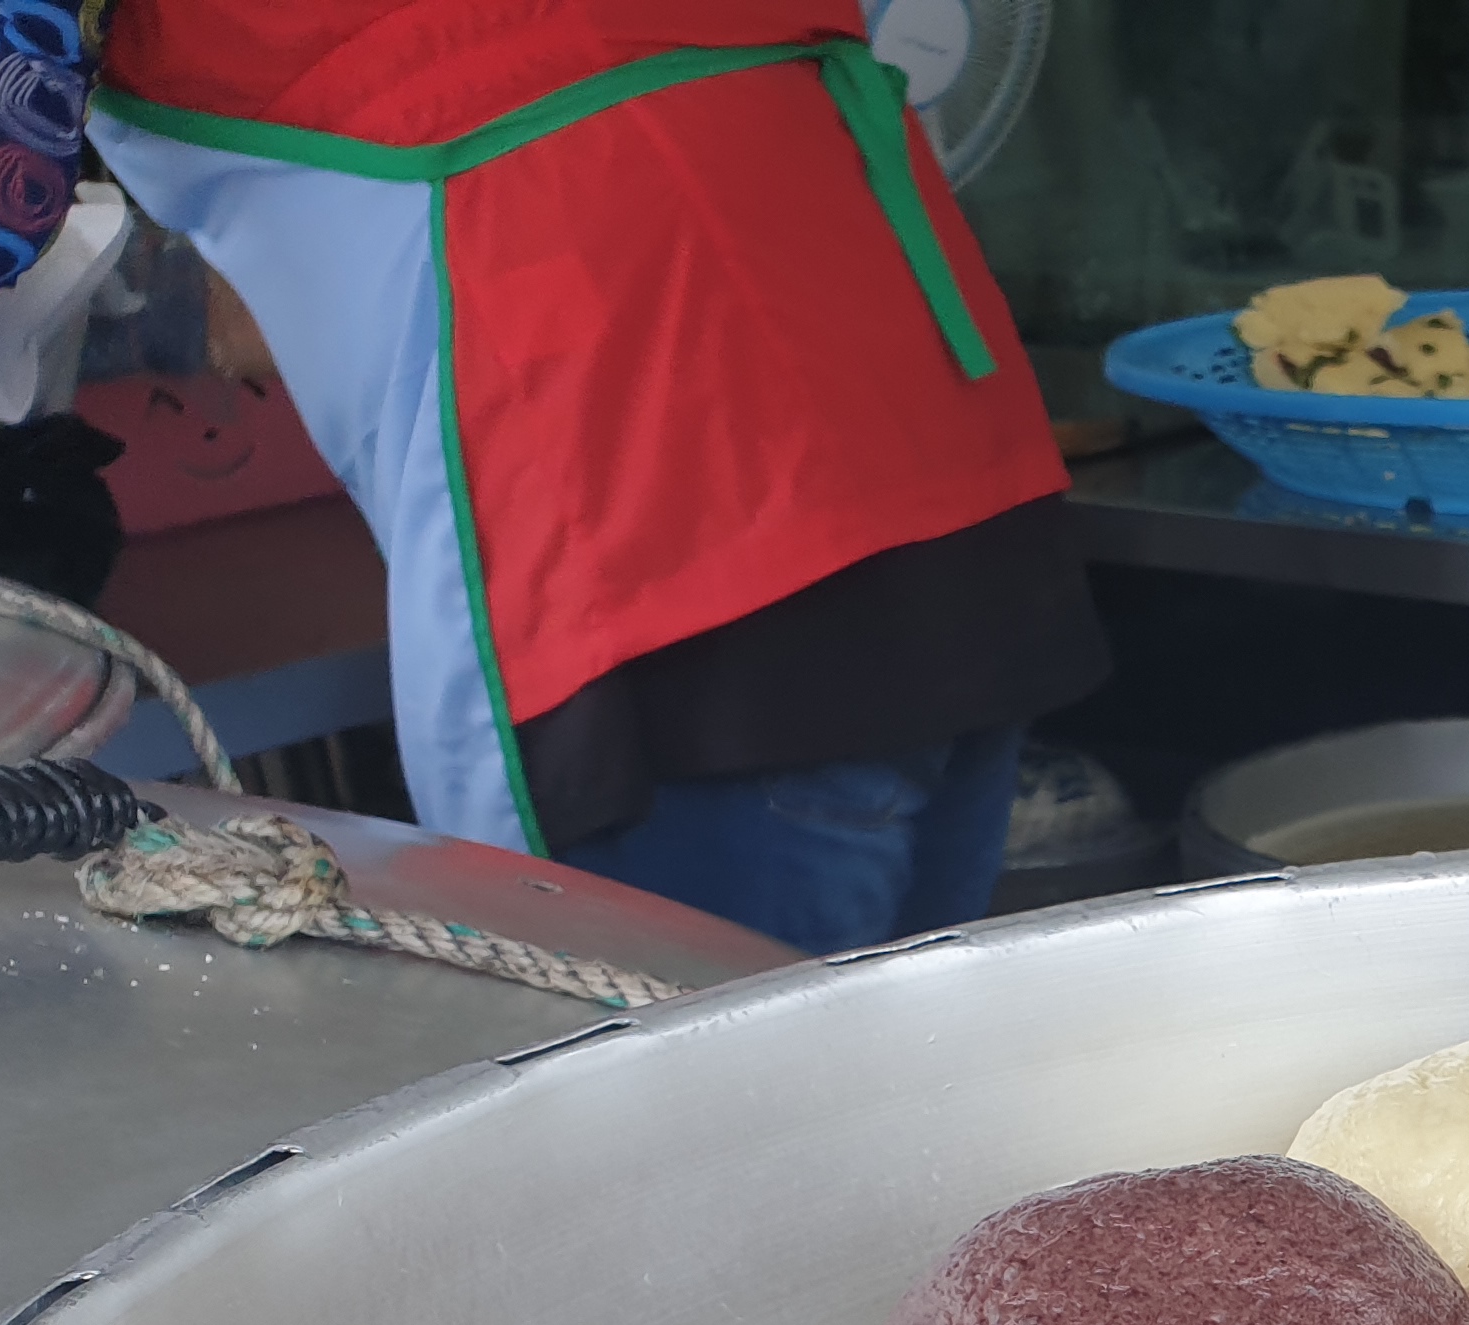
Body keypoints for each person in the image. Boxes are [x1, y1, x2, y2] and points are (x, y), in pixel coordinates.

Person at [78, 2, 1107, 953]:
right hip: (951, 531)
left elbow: (201, 297)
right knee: (899, 1073)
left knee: (707, 1083)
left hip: (694, 604)